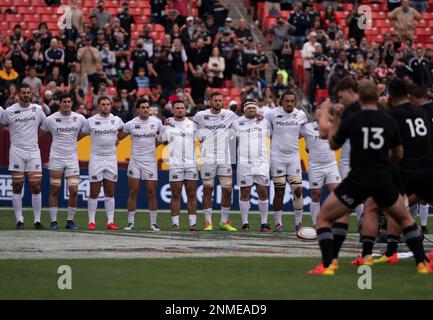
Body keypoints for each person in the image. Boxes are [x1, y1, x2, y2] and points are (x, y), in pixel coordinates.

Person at [310, 79, 432, 275]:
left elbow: (333, 144)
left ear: (355, 93)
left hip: (359, 176)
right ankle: (422, 263)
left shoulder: (352, 117)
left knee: (325, 218)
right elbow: (398, 154)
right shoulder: (389, 118)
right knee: (403, 218)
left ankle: (329, 264)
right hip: (385, 176)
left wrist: (328, 113)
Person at [0, 84, 46, 229]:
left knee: (36, 186)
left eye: (28, 92)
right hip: (16, 151)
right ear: (18, 94)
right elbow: (1, 126)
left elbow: (45, 126)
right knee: (17, 185)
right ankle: (19, 219)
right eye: (23, 92)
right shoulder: (9, 111)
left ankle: (37, 220)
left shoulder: (37, 109)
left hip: (33, 151)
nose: (26, 94)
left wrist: (34, 137)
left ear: (31, 94)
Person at [39, 93, 86, 230]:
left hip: (72, 159)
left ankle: (70, 220)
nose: (67, 104)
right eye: (64, 101)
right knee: (55, 189)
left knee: (74, 190)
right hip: (56, 159)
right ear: (59, 103)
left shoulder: (80, 118)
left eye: (69, 101)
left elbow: (86, 131)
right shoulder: (50, 119)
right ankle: (53, 221)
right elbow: (38, 133)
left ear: (72, 103)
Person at [193, 91, 238, 231]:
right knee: (208, 189)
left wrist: (258, 117)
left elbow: (243, 120)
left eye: (220, 100)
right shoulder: (201, 115)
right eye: (215, 100)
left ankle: (224, 222)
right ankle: (208, 222)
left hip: (224, 158)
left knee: (228, 190)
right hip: (207, 158)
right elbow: (190, 121)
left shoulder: (229, 114)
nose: (218, 102)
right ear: (210, 102)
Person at [265, 90, 308, 233]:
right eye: (286, 101)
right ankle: (278, 223)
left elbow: (304, 132)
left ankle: (299, 223)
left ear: (295, 102)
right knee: (279, 190)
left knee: (298, 190)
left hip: (293, 157)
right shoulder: (272, 114)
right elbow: (268, 132)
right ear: (281, 101)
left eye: (292, 101)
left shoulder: (301, 115)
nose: (289, 103)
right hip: (277, 157)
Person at [118, 99, 163, 231]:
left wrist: (159, 142)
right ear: (137, 110)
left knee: (151, 191)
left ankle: (153, 223)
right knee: (133, 191)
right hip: (135, 161)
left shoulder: (156, 122)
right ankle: (130, 223)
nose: (145, 109)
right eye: (142, 107)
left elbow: (164, 136)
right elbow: (119, 137)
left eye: (147, 107)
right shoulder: (131, 124)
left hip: (150, 162)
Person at [80, 96, 124, 230]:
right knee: (94, 192)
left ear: (111, 106)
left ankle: (110, 222)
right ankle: (91, 222)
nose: (106, 106)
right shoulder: (90, 121)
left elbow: (123, 130)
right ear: (98, 106)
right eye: (103, 104)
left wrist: (117, 139)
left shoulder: (116, 120)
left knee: (110, 192)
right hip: (96, 159)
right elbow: (81, 134)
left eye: (108, 104)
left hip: (111, 159)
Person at [159, 100, 200, 231]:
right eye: (177, 108)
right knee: (175, 194)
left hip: (191, 164)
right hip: (175, 164)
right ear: (172, 110)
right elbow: (161, 140)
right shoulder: (168, 125)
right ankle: (175, 223)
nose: (180, 110)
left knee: (192, 194)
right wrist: (165, 125)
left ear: (185, 110)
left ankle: (193, 223)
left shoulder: (193, 125)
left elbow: (202, 136)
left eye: (182, 108)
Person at [232, 100, 272, 232]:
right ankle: (245, 223)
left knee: (262, 191)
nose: (251, 110)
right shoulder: (236, 123)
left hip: (261, 162)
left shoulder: (265, 122)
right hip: (244, 162)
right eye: (248, 108)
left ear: (257, 110)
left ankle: (264, 223)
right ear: (244, 110)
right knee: (245, 192)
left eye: (253, 108)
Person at [300, 104, 341, 227]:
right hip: (315, 166)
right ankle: (315, 223)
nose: (321, 116)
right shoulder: (306, 128)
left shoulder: (333, 126)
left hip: (331, 165)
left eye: (323, 113)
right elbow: (291, 133)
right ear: (314, 116)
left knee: (337, 193)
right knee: (315, 195)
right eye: (318, 114)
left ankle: (334, 221)